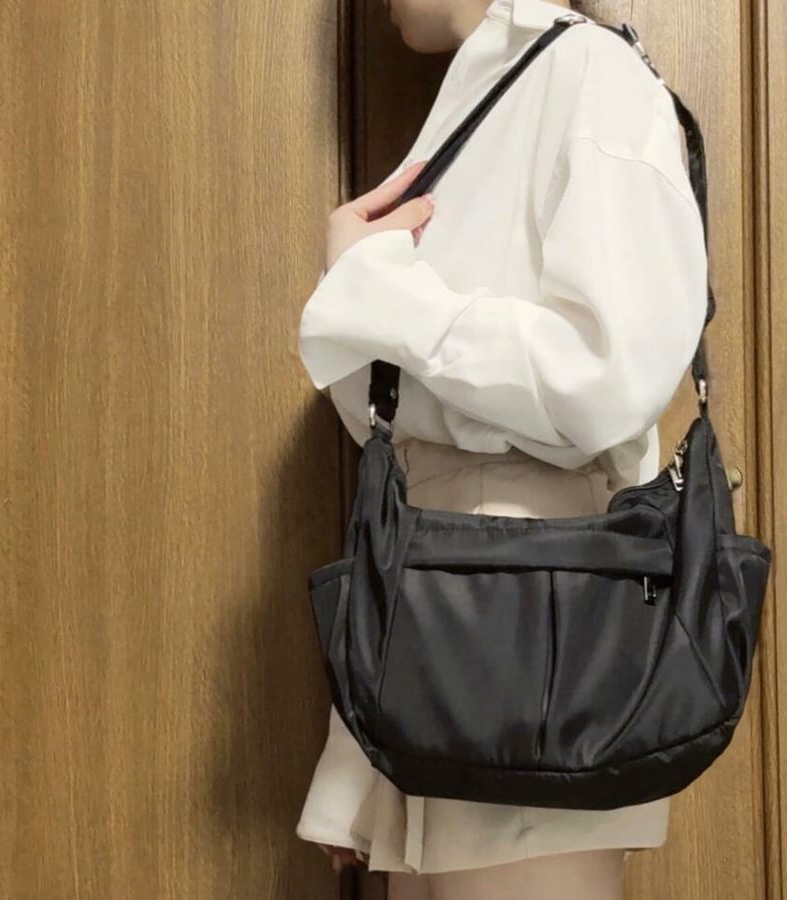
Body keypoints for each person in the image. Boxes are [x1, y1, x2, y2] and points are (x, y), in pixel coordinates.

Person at [294, 0, 709, 896]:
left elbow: (607, 378)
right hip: (448, 621)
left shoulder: (589, 71)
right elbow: (414, 445)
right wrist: (354, 762)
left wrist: (379, 292)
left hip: (536, 625)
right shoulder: (492, 92)